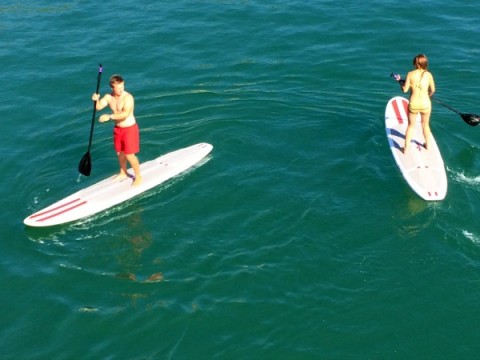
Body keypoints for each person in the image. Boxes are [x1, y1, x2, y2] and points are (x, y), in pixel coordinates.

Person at [92, 74, 142, 186]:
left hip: (130, 129)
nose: (121, 90)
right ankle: (123, 172)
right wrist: (96, 100)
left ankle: (138, 176)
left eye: (122, 87)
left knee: (130, 155)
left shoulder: (128, 97)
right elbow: (99, 107)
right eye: (118, 88)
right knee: (120, 153)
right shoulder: (109, 97)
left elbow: (125, 114)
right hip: (118, 129)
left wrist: (109, 117)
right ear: (112, 88)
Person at [398, 54, 436, 153]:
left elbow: (405, 90)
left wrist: (400, 83)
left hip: (414, 104)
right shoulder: (429, 75)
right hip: (426, 104)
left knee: (411, 126)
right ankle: (427, 145)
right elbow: (433, 90)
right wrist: (429, 94)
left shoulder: (410, 74)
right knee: (425, 125)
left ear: (415, 63)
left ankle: (406, 149)